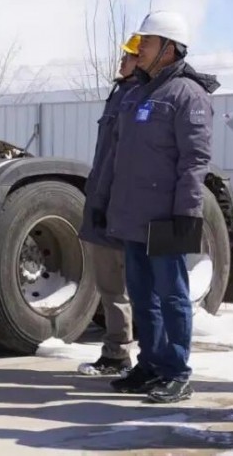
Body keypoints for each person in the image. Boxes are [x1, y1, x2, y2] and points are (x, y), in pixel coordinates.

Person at [95, 10, 220, 404]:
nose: (140, 48)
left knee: (171, 296)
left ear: (169, 49)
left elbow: (195, 160)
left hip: (166, 217)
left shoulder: (187, 94)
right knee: (142, 295)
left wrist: (187, 212)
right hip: (134, 215)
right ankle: (149, 364)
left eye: (147, 42)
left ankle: (176, 371)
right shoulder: (137, 93)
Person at [76, 34, 141, 376]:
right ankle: (117, 353)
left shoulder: (141, 97)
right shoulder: (120, 94)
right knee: (111, 286)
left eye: (129, 56)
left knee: (131, 287)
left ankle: (140, 358)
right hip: (104, 202)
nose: (122, 61)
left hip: (122, 208)